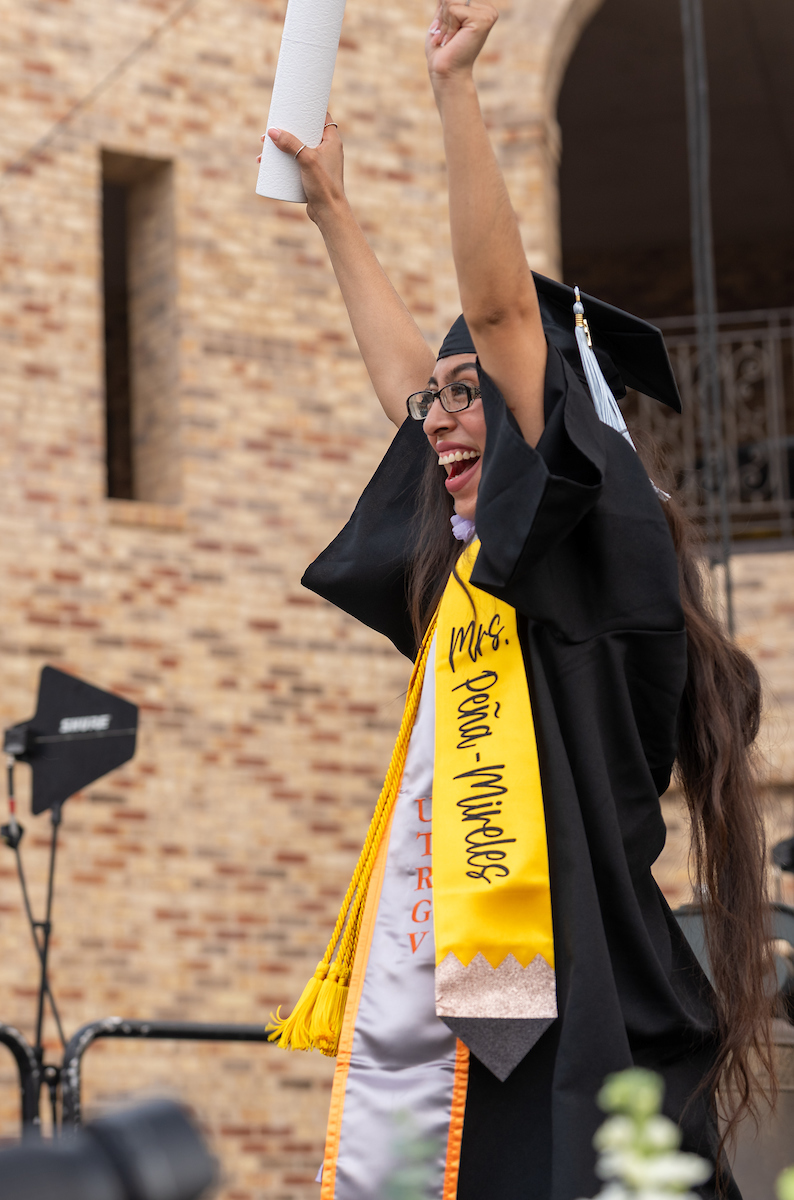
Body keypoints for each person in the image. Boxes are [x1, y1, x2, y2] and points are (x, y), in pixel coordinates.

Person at [258, 4, 775, 1198]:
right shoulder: (489, 575)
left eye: (467, 397)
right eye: (433, 402)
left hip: (592, 1011)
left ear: (545, 419)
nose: (437, 419)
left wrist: (454, 92)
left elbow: (496, 323)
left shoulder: (602, 552)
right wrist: (332, 211)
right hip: (498, 997)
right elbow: (419, 381)